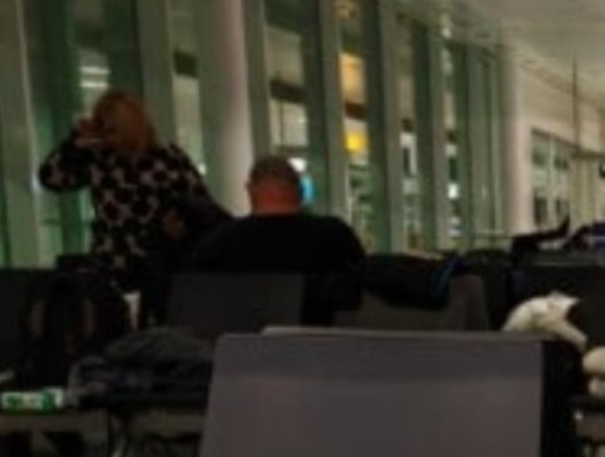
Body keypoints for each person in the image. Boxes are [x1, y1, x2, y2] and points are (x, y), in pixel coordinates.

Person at [38, 89, 212, 291]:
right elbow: (51, 178)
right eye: (103, 130)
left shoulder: (168, 158)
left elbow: (201, 204)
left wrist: (183, 230)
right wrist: (74, 141)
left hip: (161, 264)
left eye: (112, 130)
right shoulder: (99, 159)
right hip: (111, 265)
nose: (108, 137)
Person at [190, 156, 367, 325]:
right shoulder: (334, 236)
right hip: (322, 343)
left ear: (250, 189)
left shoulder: (219, 242)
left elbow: (200, 308)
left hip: (242, 344)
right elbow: (360, 295)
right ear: (300, 190)